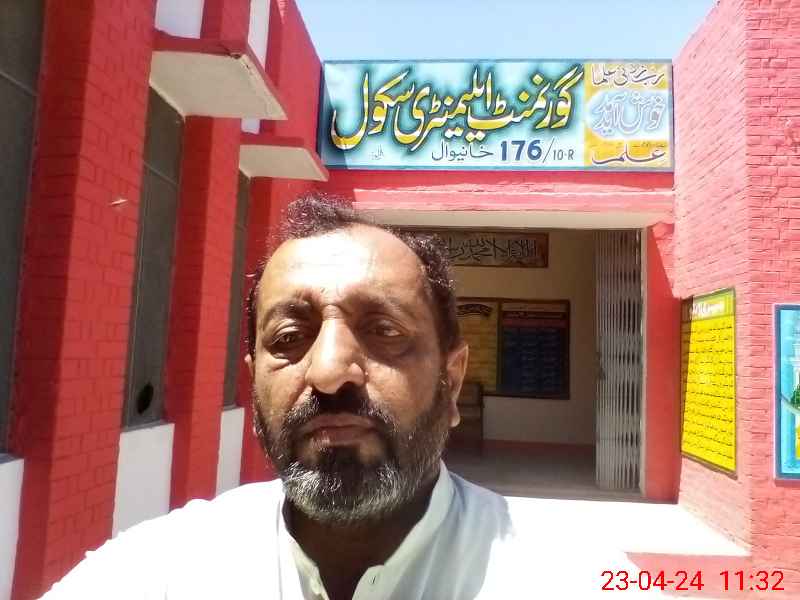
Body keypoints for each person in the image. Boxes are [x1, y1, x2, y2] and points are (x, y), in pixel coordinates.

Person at [42, 195, 651, 599]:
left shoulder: (572, 574)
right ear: (253, 380)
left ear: (452, 378)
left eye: (384, 331)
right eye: (289, 338)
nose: (330, 371)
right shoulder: (162, 570)